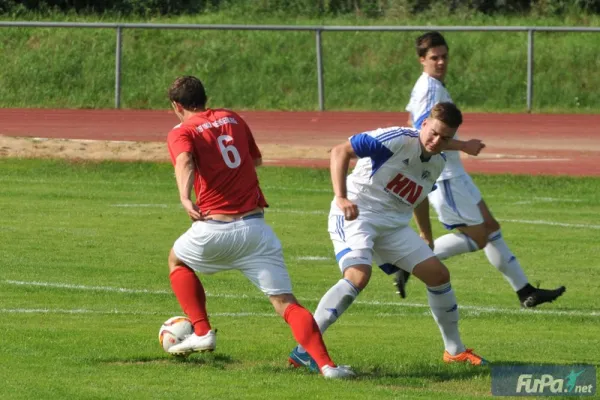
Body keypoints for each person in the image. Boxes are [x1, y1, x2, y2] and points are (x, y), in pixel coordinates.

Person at [163, 75, 354, 379]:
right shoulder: (232, 118)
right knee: (286, 303)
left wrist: (185, 197)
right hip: (256, 230)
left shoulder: (181, 131)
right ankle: (328, 367)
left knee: (177, 259)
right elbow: (256, 159)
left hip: (215, 229)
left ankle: (201, 331)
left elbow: (184, 161)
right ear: (205, 98)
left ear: (176, 105)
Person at [289, 102, 488, 371]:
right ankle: (305, 350)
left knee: (438, 275)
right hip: (357, 213)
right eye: (434, 133)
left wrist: (425, 234)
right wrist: (341, 197)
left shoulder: (438, 162)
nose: (437, 141)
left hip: (393, 226)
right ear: (425, 123)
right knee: (358, 276)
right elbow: (340, 151)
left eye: (446, 138)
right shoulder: (394, 139)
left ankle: (455, 351)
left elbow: (418, 198)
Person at [394, 31, 565, 307]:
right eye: (434, 58)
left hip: (456, 173)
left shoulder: (430, 85)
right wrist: (463, 145)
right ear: (421, 60)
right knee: (478, 237)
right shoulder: (430, 89)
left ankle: (525, 291)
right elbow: (422, 135)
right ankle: (410, 259)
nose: (440, 62)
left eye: (444, 57)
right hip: (446, 177)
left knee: (490, 227)